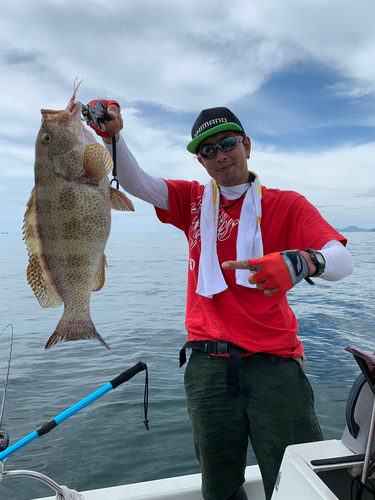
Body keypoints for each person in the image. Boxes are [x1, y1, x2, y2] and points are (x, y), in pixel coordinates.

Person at [89, 102, 353, 500]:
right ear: (200, 160)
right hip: (207, 369)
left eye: (227, 143)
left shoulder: (285, 204)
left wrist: (301, 261)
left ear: (246, 143)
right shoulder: (191, 201)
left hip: (275, 366)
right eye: (206, 151)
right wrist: (112, 136)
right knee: (219, 486)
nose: (219, 155)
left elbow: (342, 260)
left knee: (299, 485)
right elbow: (137, 182)